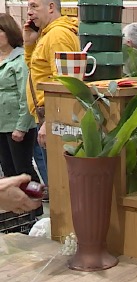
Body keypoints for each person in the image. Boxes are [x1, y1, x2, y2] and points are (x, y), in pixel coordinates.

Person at [23, 0, 80, 187]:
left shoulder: (57, 35)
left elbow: (65, 82)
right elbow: (35, 69)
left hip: (55, 118)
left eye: (34, 6)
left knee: (60, 185)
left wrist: (51, 121)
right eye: (28, 7)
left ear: (50, 7)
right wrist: (29, 43)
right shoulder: (47, 35)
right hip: (48, 115)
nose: (29, 12)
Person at [0, 14, 42, 216]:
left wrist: (21, 126)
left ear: (8, 32)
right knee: (8, 171)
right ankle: (18, 214)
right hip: (0, 125)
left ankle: (35, 212)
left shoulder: (20, 58)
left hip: (17, 125)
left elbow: (27, 95)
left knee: (23, 171)